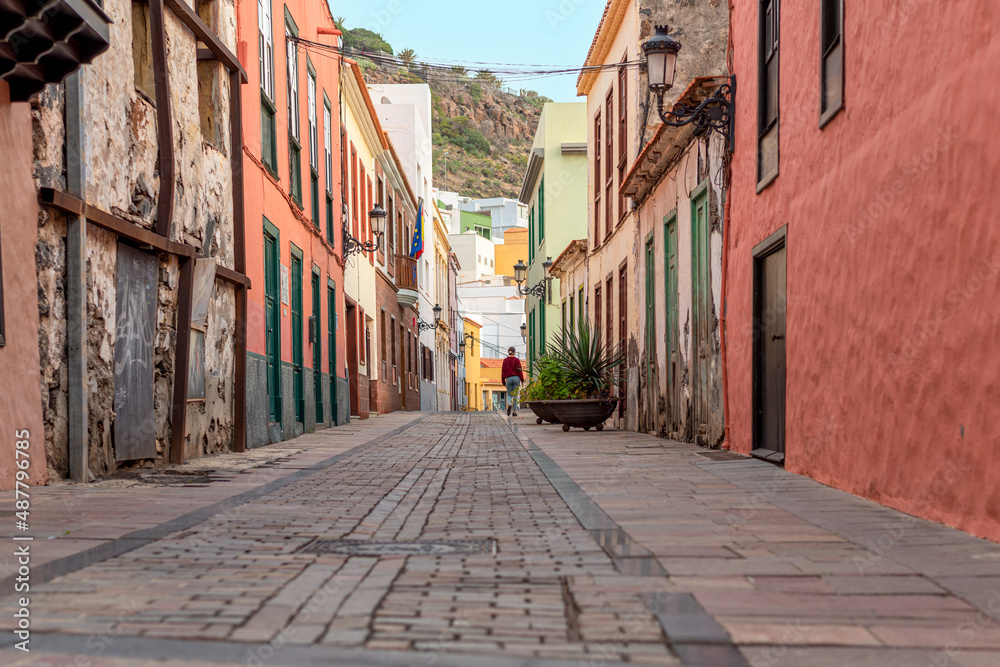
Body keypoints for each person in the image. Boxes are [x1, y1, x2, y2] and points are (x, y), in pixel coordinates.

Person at [501, 347, 524, 417]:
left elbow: (503, 371)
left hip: (508, 378)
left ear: (508, 352)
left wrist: (503, 381)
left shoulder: (505, 361)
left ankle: (509, 404)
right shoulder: (517, 360)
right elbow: (519, 371)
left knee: (509, 394)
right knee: (515, 395)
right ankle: (514, 411)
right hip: (516, 378)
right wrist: (522, 380)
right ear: (514, 352)